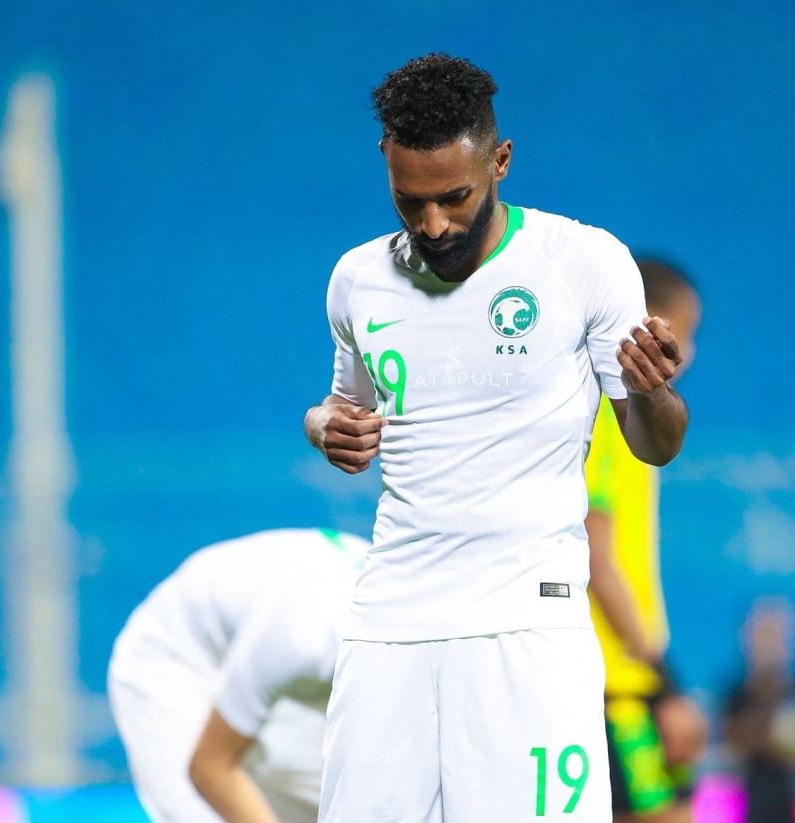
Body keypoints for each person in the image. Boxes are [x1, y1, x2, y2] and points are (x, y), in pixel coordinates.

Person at [302, 54, 690, 822]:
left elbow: (655, 444)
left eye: (455, 197)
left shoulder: (584, 263)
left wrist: (652, 390)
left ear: (500, 161)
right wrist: (324, 427)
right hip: (388, 624)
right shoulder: (356, 279)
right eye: (411, 201)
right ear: (385, 160)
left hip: (527, 624)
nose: (433, 224)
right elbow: (341, 404)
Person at [106, 527, 371, 823]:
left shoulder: (393, 637)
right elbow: (210, 768)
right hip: (176, 659)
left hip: (271, 662)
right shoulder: (307, 637)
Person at [585, 259, 707, 822]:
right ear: (649, 325)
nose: (690, 352)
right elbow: (597, 560)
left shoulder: (631, 420)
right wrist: (666, 686)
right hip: (619, 685)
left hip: (633, 678)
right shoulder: (606, 417)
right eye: (686, 332)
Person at [723, 597, 795, 823]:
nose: (767, 643)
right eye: (762, 633)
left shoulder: (789, 692)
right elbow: (732, 743)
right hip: (750, 803)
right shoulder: (737, 695)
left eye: (774, 634)